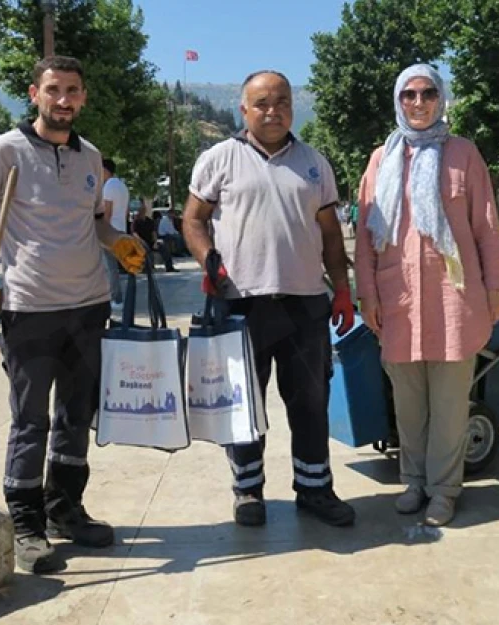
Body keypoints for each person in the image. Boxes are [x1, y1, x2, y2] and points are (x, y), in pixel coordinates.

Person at [0, 55, 147, 574]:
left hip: (88, 307)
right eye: (54, 89)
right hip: (31, 309)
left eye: (73, 91)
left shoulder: (91, 158)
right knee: (30, 421)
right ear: (34, 93)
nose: (64, 100)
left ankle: (66, 510)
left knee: (76, 417)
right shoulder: (5, 151)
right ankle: (26, 525)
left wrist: (119, 242)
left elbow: (97, 225)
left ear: (83, 97)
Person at [182, 69, 356, 528]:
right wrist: (208, 261)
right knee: (243, 406)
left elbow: (331, 235)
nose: (272, 110)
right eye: (261, 103)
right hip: (240, 304)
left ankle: (315, 489)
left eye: (281, 101)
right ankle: (247, 491)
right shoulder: (218, 159)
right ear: (244, 110)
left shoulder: (315, 163)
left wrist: (342, 290)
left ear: (292, 108)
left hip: (304, 303)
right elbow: (193, 221)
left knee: (310, 401)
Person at [355, 64, 499, 527]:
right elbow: (364, 237)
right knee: (408, 402)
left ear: (441, 99)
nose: (418, 103)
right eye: (409, 95)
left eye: (428, 93)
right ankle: (414, 480)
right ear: (398, 101)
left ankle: (444, 490)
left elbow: (485, 227)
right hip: (397, 301)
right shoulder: (381, 159)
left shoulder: (463, 155)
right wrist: (368, 296)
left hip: (453, 298)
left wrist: (495, 288)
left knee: (449, 405)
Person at [101, 158, 130, 311]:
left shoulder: (108, 187)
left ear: (106, 170)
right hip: (121, 230)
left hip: (110, 232)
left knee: (109, 267)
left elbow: (107, 212)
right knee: (116, 267)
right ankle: (117, 297)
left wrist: (102, 231)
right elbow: (125, 213)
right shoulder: (123, 186)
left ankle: (116, 298)